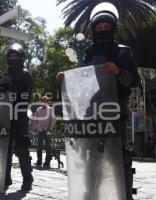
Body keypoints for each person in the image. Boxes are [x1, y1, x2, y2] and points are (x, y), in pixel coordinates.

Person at [57, 3, 140, 199]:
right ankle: (89, 193)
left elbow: (134, 82)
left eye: (107, 27)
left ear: (113, 28)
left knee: (118, 158)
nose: (103, 30)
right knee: (90, 157)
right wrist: (65, 79)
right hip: (91, 115)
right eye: (99, 28)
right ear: (94, 29)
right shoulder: (87, 53)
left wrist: (118, 72)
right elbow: (81, 81)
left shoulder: (123, 52)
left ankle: (124, 196)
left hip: (115, 113)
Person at [0, 43, 33, 191]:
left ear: (21, 57)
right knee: (4, 150)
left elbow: (27, 96)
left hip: (20, 116)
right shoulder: (4, 75)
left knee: (21, 148)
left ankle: (27, 179)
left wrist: (12, 88)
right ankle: (5, 178)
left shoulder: (25, 74)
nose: (13, 58)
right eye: (11, 56)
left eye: (16, 56)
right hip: (6, 117)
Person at [32, 96, 56, 168]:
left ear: (47, 102)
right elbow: (35, 119)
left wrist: (51, 128)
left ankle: (47, 162)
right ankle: (39, 161)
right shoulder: (38, 109)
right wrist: (34, 128)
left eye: (46, 101)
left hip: (47, 130)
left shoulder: (50, 109)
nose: (44, 102)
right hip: (39, 130)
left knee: (48, 147)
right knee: (39, 147)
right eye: (43, 101)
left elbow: (53, 119)